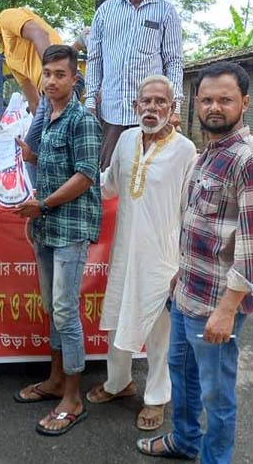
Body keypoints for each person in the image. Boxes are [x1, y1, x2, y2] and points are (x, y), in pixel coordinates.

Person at [137, 62, 253, 463]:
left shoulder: (251, 160)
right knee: (182, 376)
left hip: (217, 305)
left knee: (217, 394)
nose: (214, 107)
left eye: (225, 99)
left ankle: (214, 459)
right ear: (196, 103)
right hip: (187, 293)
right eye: (207, 99)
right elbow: (203, 224)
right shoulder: (207, 155)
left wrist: (227, 310)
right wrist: (181, 272)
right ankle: (184, 441)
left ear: (245, 103)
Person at [86, 75, 196, 432]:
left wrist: (184, 262)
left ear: (172, 107)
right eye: (145, 101)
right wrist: (71, 187)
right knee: (118, 317)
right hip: (125, 251)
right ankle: (118, 383)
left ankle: (156, 398)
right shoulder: (127, 139)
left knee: (159, 330)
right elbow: (110, 184)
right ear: (136, 106)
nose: (152, 108)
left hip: (163, 256)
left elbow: (189, 209)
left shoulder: (185, 150)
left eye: (159, 102)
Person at [14, 45, 101, 436]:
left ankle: (73, 398)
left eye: (59, 74)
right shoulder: (47, 116)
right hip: (46, 227)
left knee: (65, 311)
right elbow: (34, 160)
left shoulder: (82, 119)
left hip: (69, 228)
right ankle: (53, 381)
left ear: (74, 78)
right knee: (52, 307)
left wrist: (43, 205)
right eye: (46, 73)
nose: (51, 81)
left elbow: (85, 176)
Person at [85, 0, 185, 170]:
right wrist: (90, 102)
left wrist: (175, 107)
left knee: (150, 177)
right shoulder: (105, 12)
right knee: (108, 176)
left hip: (152, 115)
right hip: (112, 114)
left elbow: (174, 61)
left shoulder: (166, 12)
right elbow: (95, 59)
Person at [0, 4, 83, 162]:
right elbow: (32, 98)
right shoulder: (8, 56)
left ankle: (74, 180)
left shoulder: (6, 17)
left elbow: (40, 34)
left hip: (63, 84)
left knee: (58, 146)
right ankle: (42, 185)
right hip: (48, 98)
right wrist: (38, 122)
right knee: (30, 149)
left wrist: (54, 77)